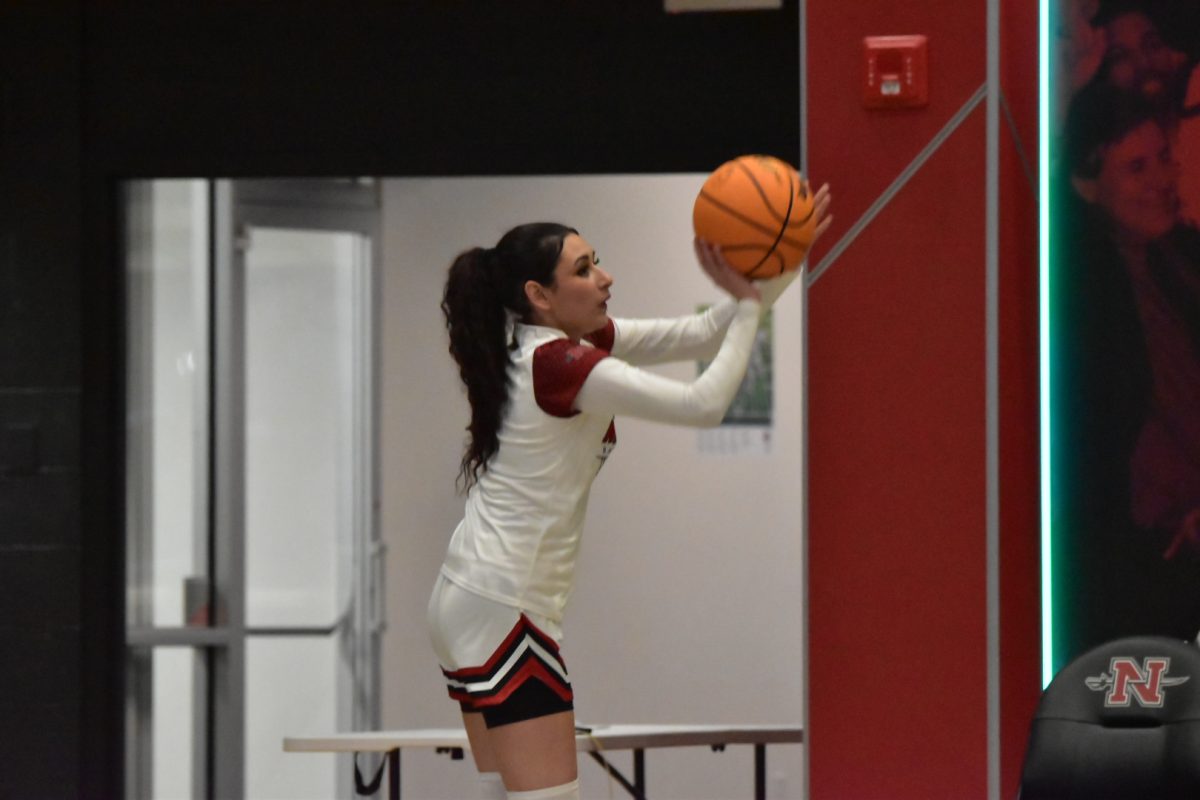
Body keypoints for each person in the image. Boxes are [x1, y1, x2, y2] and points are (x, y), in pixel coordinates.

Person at [427, 184, 831, 800]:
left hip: (470, 597)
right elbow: (703, 403)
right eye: (584, 269)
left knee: (504, 792)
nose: (606, 278)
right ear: (539, 296)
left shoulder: (553, 347)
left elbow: (698, 334)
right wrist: (751, 304)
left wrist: (781, 262)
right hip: (506, 605)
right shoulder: (562, 365)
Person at [1056, 81, 1200, 662]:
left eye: (1164, 158)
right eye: (1137, 167)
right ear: (1087, 184)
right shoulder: (1079, 290)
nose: (1162, 180)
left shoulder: (1184, 257)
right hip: (1146, 561)